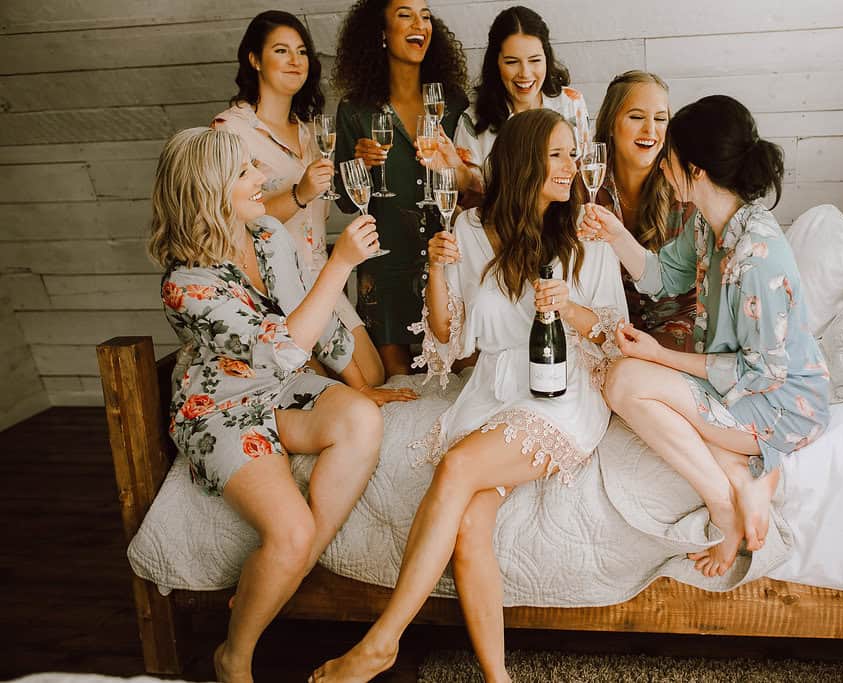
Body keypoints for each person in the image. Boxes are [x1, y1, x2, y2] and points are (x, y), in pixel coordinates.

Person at [310, 109, 627, 682]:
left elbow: (612, 335)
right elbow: (448, 341)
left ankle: (381, 643)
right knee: (470, 523)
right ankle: (498, 678)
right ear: (522, 161)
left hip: (561, 389)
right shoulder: (470, 230)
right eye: (556, 154)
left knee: (456, 466)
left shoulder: (588, 229)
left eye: (572, 154)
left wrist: (568, 309)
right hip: (492, 388)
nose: (570, 167)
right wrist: (434, 271)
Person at [149, 127, 385, 682]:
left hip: (277, 392)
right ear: (207, 191)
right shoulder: (185, 285)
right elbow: (281, 349)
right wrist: (341, 263)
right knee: (289, 530)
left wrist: (362, 384)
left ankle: (292, 571)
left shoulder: (264, 233)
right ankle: (235, 656)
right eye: (244, 174)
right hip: (220, 410)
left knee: (361, 417)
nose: (263, 181)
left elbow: (311, 312)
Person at [581, 95, 831, 578]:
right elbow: (660, 276)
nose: (663, 166)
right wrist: (614, 235)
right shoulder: (707, 224)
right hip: (741, 384)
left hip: (783, 402)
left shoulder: (757, 257)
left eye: (670, 156)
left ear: (694, 170)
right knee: (627, 379)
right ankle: (743, 480)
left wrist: (661, 357)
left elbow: (763, 372)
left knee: (625, 381)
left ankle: (724, 504)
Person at [212, 10, 413, 405]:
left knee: (372, 374)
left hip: (320, 272)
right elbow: (229, 220)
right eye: (281, 51)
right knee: (333, 386)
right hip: (270, 285)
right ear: (254, 59)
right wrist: (298, 193)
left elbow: (326, 202)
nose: (294, 61)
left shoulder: (308, 131)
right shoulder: (230, 130)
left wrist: (355, 165)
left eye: (301, 52)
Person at [332, 0, 469, 377]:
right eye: (405, 14)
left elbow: (473, 186)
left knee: (453, 375)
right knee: (398, 385)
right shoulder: (355, 110)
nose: (420, 23)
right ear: (381, 33)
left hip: (447, 258)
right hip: (385, 262)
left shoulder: (453, 103)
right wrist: (357, 166)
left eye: (425, 15)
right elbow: (344, 199)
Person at [423, 5, 589, 203]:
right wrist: (457, 170)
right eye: (512, 62)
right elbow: (471, 200)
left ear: (547, 58)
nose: (525, 73)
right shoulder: (474, 119)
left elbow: (584, 178)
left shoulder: (572, 103)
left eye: (535, 60)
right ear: (496, 63)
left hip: (563, 226)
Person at [589, 70, 698, 350]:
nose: (650, 130)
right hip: (609, 327)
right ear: (611, 124)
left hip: (679, 325)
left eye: (660, 119)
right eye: (637, 117)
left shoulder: (686, 183)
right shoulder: (585, 184)